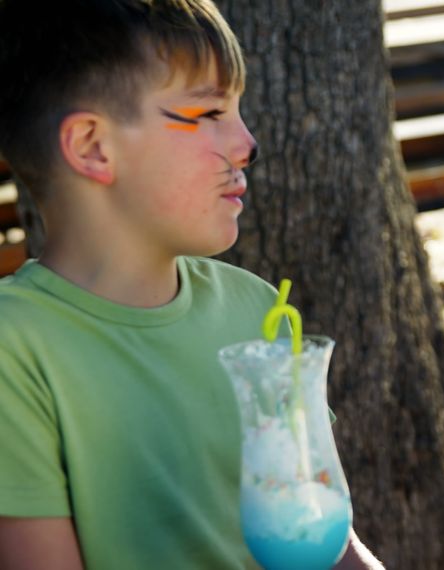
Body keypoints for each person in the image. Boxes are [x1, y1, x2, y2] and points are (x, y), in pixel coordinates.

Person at [0, 1, 381, 568]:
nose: (247, 142)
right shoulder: (16, 348)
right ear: (92, 147)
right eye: (209, 113)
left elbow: (329, 540)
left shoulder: (256, 308)